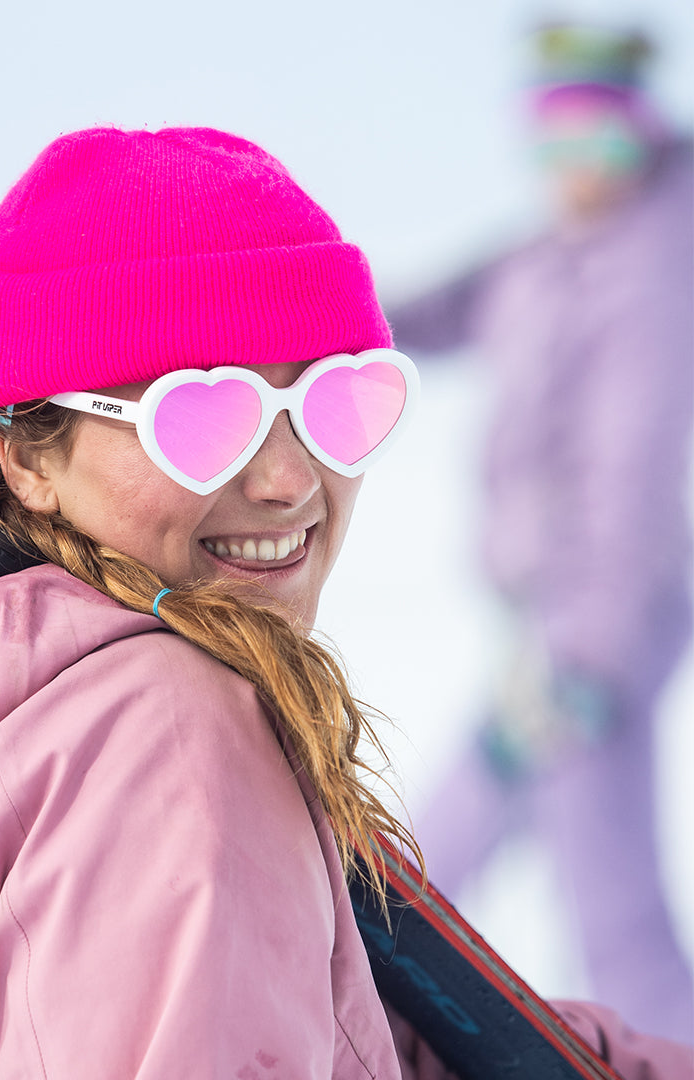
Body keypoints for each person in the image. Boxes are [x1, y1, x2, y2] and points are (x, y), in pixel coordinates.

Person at [0, 126, 688, 1079]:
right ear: (28, 456)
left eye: (336, 399)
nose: (290, 479)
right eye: (205, 413)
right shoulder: (163, 738)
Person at [388, 24, 694, 1043]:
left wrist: (593, 651)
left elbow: (631, 472)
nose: (575, 172)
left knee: (597, 889)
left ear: (641, 141)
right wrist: (308, 324)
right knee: (509, 843)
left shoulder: (650, 274)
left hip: (603, 614)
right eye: (555, 144)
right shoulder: (550, 254)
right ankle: (370, 970)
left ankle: (366, 972)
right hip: (548, 614)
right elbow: (433, 309)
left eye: (601, 146)